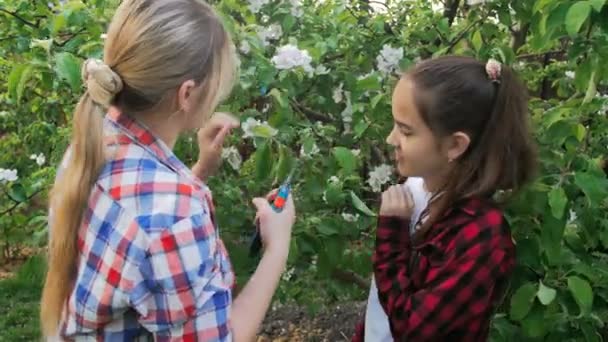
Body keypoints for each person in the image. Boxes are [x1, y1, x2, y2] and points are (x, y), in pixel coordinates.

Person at [40, 1, 295, 341]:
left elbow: (139, 232)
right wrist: (278, 245)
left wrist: (199, 170)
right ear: (186, 93)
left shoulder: (88, 147)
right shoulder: (176, 215)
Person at [354, 56, 537, 341]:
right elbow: (381, 307)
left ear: (454, 145)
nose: (391, 139)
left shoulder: (481, 235)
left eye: (405, 130)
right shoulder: (415, 186)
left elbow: (414, 327)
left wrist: (391, 239)